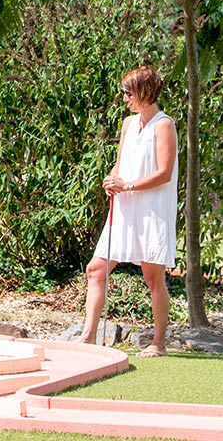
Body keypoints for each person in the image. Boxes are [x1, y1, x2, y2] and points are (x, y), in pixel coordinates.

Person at [78, 66, 178, 357]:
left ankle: (159, 343)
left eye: (128, 93)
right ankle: (88, 337)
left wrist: (129, 184)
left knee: (152, 276)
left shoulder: (164, 125)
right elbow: (120, 164)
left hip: (151, 209)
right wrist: (111, 179)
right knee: (96, 270)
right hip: (123, 207)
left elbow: (165, 173)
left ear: (145, 92)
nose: (124, 98)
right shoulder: (127, 124)